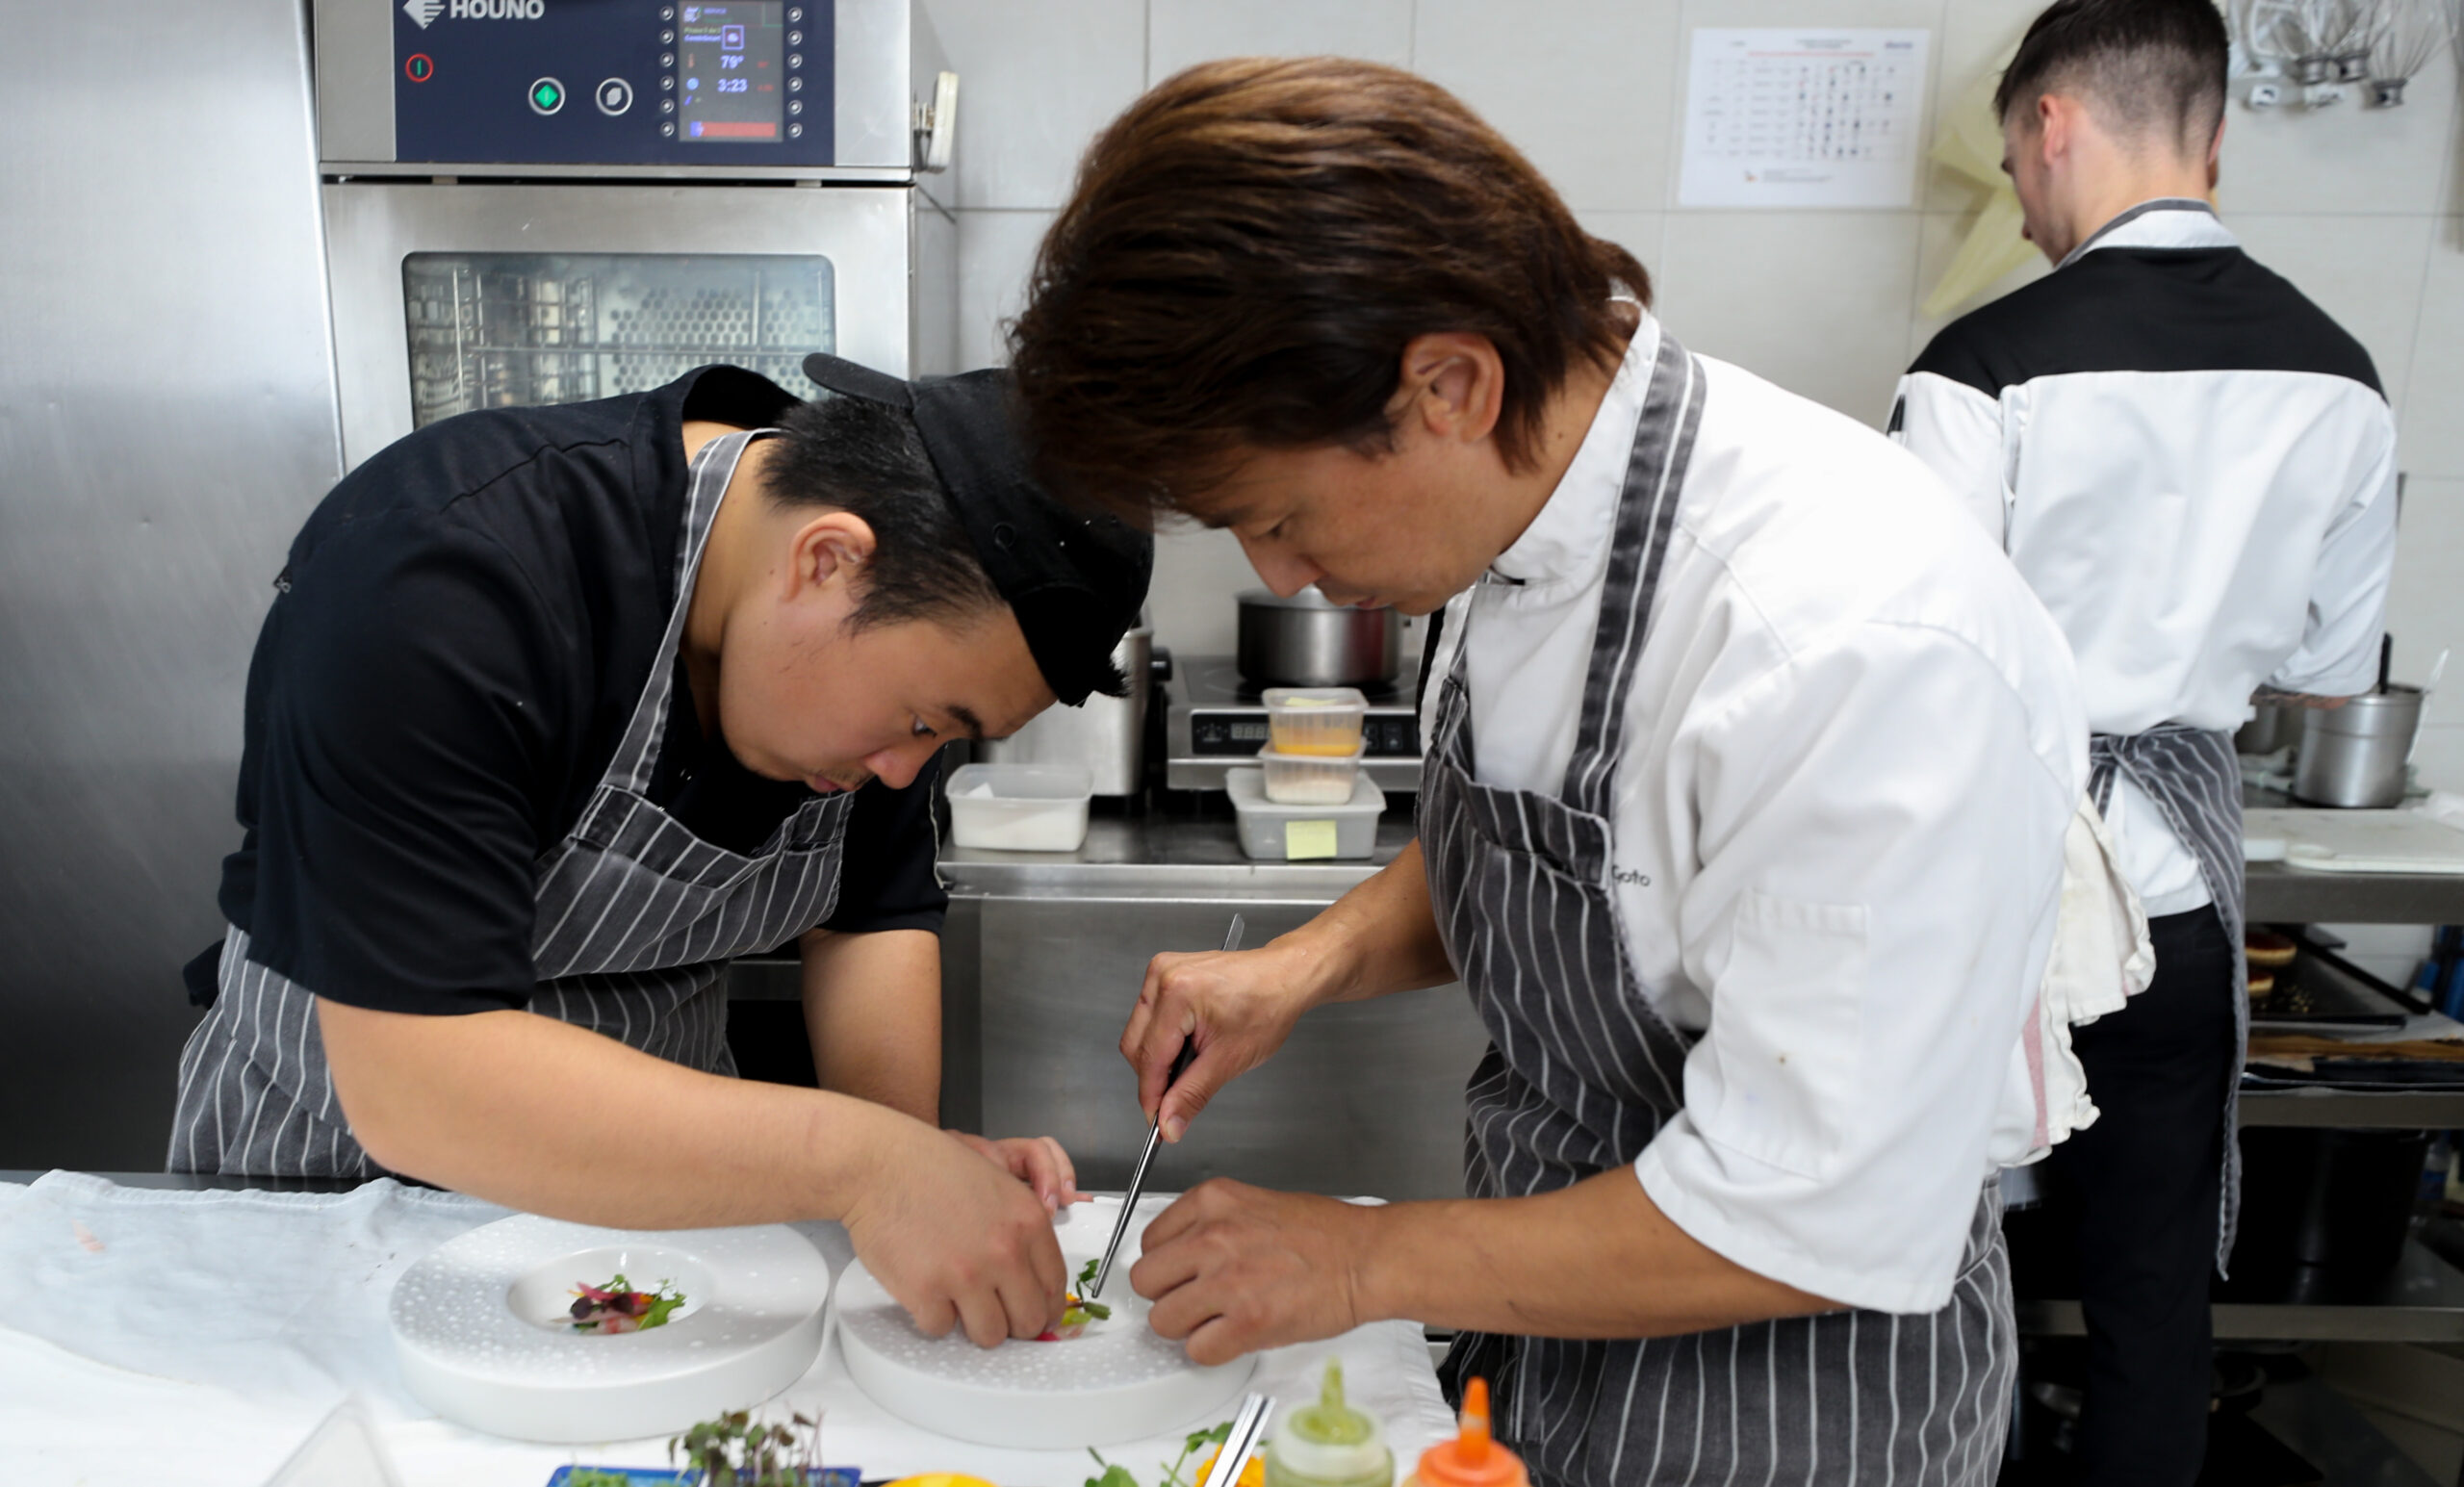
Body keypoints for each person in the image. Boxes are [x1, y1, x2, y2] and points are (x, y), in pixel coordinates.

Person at [1012, 58, 2090, 1484]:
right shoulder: (1527, 517)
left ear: (1449, 381)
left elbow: (1810, 1211)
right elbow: (1590, 862)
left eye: (1276, 515)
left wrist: (1359, 1257)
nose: (1283, 573)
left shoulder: (1848, 639)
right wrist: (1309, 967)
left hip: (1788, 1406)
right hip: (1539, 1343)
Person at [167, 353, 1151, 1347]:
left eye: (944, 740)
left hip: (669, 1228)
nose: (906, 774)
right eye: (921, 721)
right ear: (827, 560)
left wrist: (913, 1172)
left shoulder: (873, 666)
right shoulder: (440, 576)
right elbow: (418, 1080)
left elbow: (867, 920)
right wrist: (867, 1166)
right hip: (337, 1192)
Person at [1888, 2, 2399, 1480]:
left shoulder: (1983, 364)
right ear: (2216, 137)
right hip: (2175, 899)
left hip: (1988, 899)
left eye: (2014, 166)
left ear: (2050, 126)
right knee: (2156, 1301)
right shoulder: (2343, 376)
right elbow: (2324, 670)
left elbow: (1907, 664)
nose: (2025, 211)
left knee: (1922, 1266)